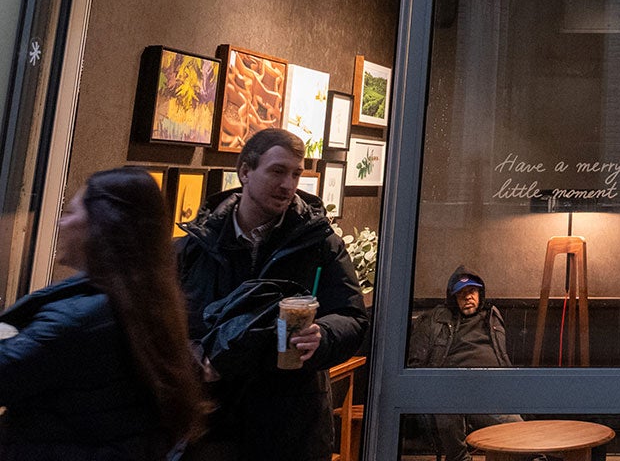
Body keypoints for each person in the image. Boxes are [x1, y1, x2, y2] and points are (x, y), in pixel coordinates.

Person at [178, 129, 368, 461]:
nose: (288, 184)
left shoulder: (319, 241)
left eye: (296, 174)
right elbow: (169, 319)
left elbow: (351, 316)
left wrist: (323, 336)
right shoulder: (199, 243)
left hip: (292, 421)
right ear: (245, 172)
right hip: (213, 420)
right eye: (277, 171)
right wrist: (189, 352)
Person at [0, 166, 207, 460]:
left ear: (102, 225)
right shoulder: (146, 302)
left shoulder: (78, 320)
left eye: (72, 212)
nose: (61, 222)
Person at [407, 267, 520, 461]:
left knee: (519, 430)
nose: (467, 297)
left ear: (479, 294)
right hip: (452, 389)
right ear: (453, 299)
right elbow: (415, 362)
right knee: (448, 402)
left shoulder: (492, 316)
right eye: (461, 294)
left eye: (471, 292)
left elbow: (503, 357)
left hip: (491, 391)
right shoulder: (436, 319)